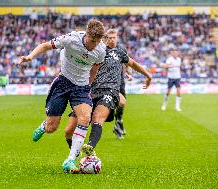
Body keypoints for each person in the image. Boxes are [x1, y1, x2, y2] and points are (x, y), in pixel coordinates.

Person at [17, 19, 106, 173]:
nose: (94, 45)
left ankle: (70, 160)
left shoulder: (100, 50)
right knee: (52, 127)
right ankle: (44, 126)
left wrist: (89, 86)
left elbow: (94, 69)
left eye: (97, 42)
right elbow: (45, 45)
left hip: (81, 87)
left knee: (85, 118)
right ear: (86, 34)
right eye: (92, 41)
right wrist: (31, 56)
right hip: (63, 82)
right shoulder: (71, 39)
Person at [64, 29, 152, 157]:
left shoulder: (120, 53)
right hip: (90, 91)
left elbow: (133, 64)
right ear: (103, 39)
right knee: (68, 130)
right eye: (109, 37)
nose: (111, 40)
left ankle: (90, 147)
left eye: (114, 37)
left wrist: (148, 76)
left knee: (98, 118)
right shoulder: (95, 51)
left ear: (117, 38)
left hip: (109, 91)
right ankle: (74, 155)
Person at [112, 65, 133, 139]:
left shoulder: (122, 53)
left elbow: (129, 63)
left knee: (122, 103)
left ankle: (118, 122)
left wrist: (129, 74)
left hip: (120, 80)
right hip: (106, 80)